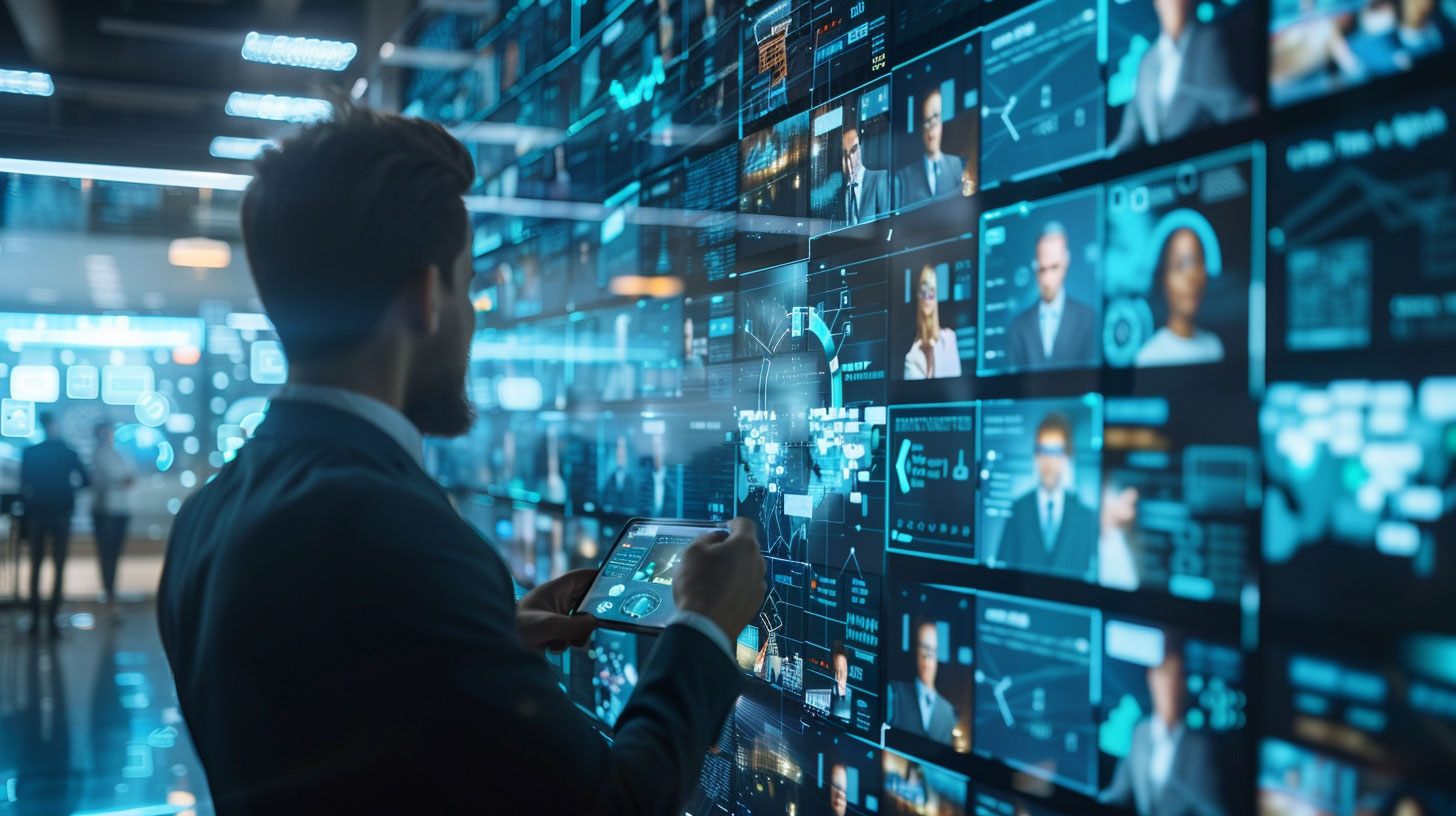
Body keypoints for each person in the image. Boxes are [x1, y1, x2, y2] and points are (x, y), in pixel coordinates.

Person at [156, 105, 767, 814]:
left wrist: (480, 639)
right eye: (468, 284)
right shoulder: (392, 532)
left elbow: (323, 711)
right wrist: (703, 629)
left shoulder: (208, 514)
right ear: (425, 297)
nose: (474, 317)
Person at [1101, 635, 1231, 815]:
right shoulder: (1140, 732)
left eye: (1177, 678)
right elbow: (1118, 792)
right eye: (1164, 675)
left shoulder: (1200, 746)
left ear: (1184, 686)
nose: (1170, 686)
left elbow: (1214, 809)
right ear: (1152, 679)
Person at [1110, 0, 1251, 155]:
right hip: (1160, 174)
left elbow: (1232, 109)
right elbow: (1128, 138)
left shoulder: (1209, 42)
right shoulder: (1146, 63)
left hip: (1206, 166)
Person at [994, 412, 1097, 580]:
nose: (1049, 461)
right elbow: (1001, 576)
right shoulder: (1018, 510)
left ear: (1067, 457)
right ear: (1036, 456)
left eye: (1056, 451)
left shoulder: (1086, 517)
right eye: (1043, 451)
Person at [20, 412, 90, 636]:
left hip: (38, 514)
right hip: (60, 514)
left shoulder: (31, 453)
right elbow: (86, 480)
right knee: (58, 567)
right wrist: (67, 494)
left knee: (36, 566)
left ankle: (34, 619)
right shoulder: (67, 452)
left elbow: (24, 485)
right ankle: (52, 619)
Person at [1005, 222, 1098, 371]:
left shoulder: (1087, 318)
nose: (1048, 279)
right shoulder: (1018, 326)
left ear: (1066, 261)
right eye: (1043, 269)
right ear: (1035, 266)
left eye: (1054, 267)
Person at [1136, 226, 1225, 367]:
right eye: (1179, 265)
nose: (1191, 277)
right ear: (1163, 278)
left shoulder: (1214, 347)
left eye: (1196, 262)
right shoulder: (1148, 356)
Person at [90, 421, 136, 611]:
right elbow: (117, 478)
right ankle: (109, 595)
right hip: (105, 512)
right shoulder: (97, 455)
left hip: (121, 511)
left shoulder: (121, 453)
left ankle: (111, 595)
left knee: (114, 555)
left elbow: (130, 477)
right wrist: (121, 480)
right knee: (107, 556)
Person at [888, 619, 956, 744]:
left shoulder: (947, 712)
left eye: (932, 651)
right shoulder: (895, 692)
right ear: (915, 651)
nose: (926, 657)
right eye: (923, 648)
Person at [895, 89, 965, 207]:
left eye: (936, 119)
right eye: (926, 121)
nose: (931, 130)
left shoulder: (956, 165)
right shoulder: (904, 176)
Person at [903, 265, 962, 380]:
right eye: (923, 290)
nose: (927, 297)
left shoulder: (949, 338)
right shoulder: (913, 355)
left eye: (932, 291)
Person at [839, 126, 889, 227]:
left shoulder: (879, 178)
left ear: (861, 149)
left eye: (853, 150)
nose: (850, 157)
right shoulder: (840, 192)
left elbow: (887, 223)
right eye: (845, 153)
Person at [601, 434, 638, 512]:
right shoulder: (609, 478)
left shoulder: (633, 479)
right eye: (618, 448)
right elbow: (604, 502)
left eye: (623, 449)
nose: (620, 452)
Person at [830, 641, 853, 721]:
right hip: (840, 677)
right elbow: (841, 670)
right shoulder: (839, 656)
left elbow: (841, 670)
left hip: (840, 676)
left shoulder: (838, 656)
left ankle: (840, 694)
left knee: (839, 680)